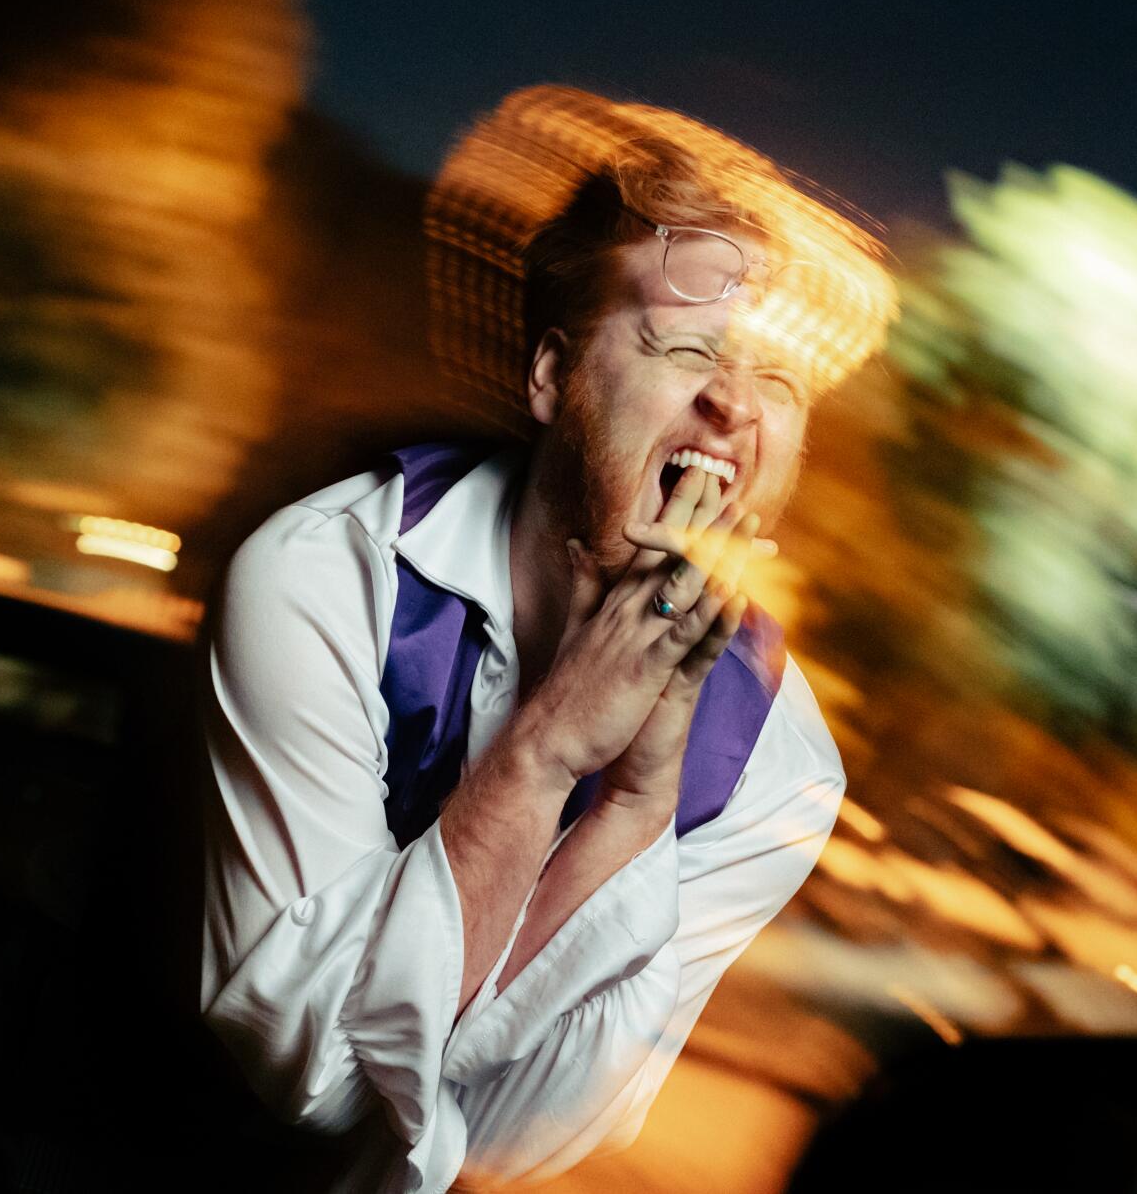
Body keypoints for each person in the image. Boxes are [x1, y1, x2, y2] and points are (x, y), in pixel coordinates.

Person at [196, 85, 896, 1192]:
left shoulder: (778, 768)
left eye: (776, 377)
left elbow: (518, 1135)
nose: (735, 406)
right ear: (548, 376)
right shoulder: (325, 572)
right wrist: (547, 748)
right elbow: (309, 1076)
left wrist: (635, 800)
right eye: (681, 349)